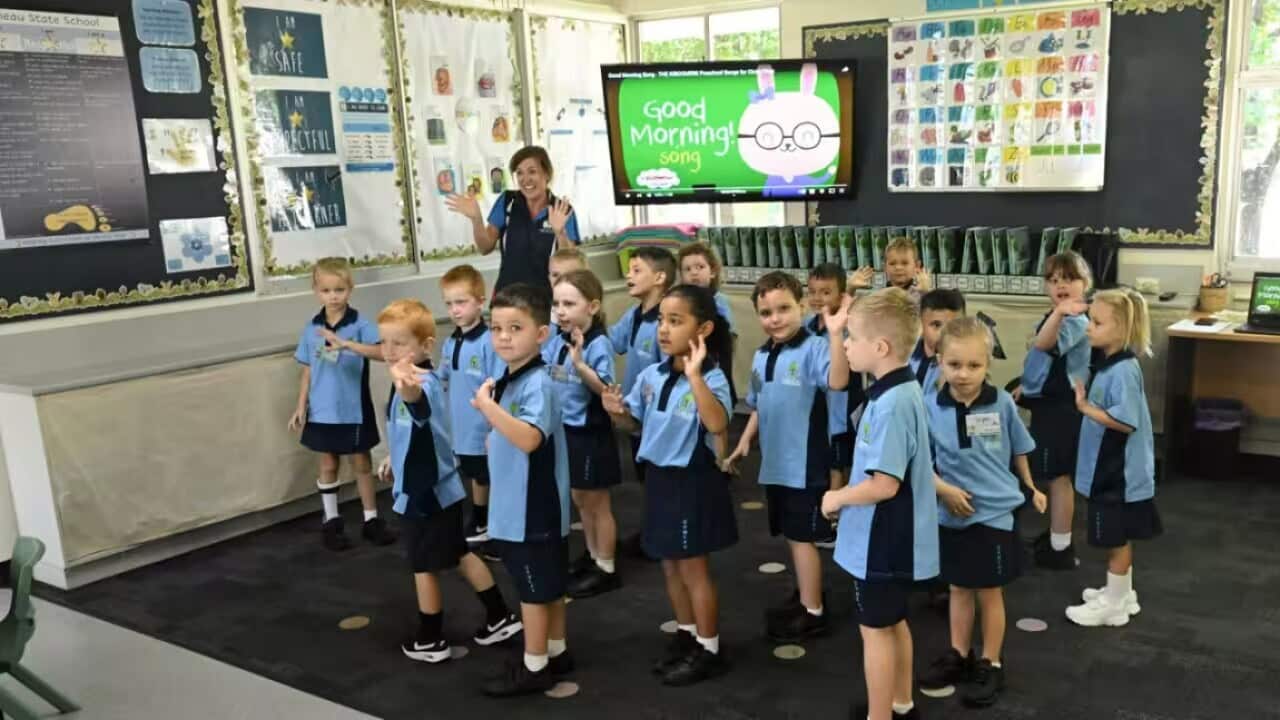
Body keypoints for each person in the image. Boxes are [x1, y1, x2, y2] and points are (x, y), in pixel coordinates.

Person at [602, 285, 738, 686]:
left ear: (705, 328)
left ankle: (709, 648)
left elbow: (716, 424)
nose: (663, 329)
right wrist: (618, 414)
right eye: (662, 319)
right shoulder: (650, 375)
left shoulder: (711, 378)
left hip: (692, 482)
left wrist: (694, 376)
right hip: (659, 480)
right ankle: (688, 634)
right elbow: (637, 426)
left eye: (675, 321)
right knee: (669, 566)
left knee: (694, 570)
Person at [374, 299, 522, 664]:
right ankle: (500, 616)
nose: (390, 352)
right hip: (441, 487)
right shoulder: (407, 379)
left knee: (423, 566)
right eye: (384, 343)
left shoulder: (416, 383)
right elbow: (417, 428)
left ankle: (429, 638)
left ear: (425, 346)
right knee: (458, 551)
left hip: (425, 494)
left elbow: (417, 405)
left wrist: (405, 389)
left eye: (400, 344)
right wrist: (396, 455)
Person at [822, 287, 938, 720]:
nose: (846, 344)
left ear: (881, 346)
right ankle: (901, 703)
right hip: (893, 537)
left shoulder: (892, 403)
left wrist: (836, 497)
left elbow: (884, 485)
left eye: (850, 336)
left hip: (883, 539)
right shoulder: (900, 390)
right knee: (893, 624)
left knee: (874, 632)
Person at [919, 317, 1046, 708]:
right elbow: (919, 459)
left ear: (988, 364)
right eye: (954, 365)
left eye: (974, 366)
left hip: (994, 513)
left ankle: (991, 661)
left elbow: (1019, 447)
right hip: (950, 514)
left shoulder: (1003, 403)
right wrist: (942, 490)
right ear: (939, 361)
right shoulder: (928, 406)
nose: (963, 374)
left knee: (989, 592)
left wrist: (1032, 486)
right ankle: (959, 654)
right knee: (958, 588)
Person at [726, 271, 851, 643]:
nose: (775, 318)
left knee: (802, 539)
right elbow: (759, 405)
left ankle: (813, 612)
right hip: (776, 464)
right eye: (766, 312)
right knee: (792, 537)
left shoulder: (815, 348)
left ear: (801, 306)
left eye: (783, 308)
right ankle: (805, 595)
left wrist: (834, 334)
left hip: (805, 465)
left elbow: (838, 381)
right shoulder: (763, 355)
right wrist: (745, 441)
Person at [473, 284, 573, 696]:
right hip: (516, 504)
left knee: (534, 589)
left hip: (535, 506)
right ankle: (555, 650)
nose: (504, 337)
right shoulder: (510, 380)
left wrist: (487, 408)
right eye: (496, 328)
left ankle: (535, 667)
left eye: (516, 327)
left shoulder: (539, 383)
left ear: (542, 334)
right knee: (544, 584)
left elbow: (530, 438)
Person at [1065, 288, 1160, 627]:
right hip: (1109, 466)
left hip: (1116, 473)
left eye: (1097, 323)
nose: (1088, 327)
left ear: (1121, 329)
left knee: (1115, 537)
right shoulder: (1109, 364)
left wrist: (1085, 407)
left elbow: (1125, 421)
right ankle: (1121, 591)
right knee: (1116, 535)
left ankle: (1115, 603)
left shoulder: (1122, 371)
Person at [288, 258, 396, 551]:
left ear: (350, 289)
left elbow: (381, 352)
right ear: (315, 291)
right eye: (326, 290)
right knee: (327, 462)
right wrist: (301, 406)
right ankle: (331, 520)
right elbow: (308, 368)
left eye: (339, 289)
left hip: (353, 407)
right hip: (322, 409)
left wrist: (347, 345)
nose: (333, 296)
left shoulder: (360, 324)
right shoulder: (311, 329)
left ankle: (371, 519)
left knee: (361, 462)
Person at [544, 270, 623, 599]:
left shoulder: (597, 343)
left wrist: (580, 364)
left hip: (591, 433)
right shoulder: (558, 339)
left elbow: (605, 389)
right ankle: (592, 555)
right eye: (557, 303)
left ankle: (607, 566)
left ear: (591, 306)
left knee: (597, 502)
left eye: (569, 303)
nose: (561, 311)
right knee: (580, 499)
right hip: (567, 431)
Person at [1017, 251, 1092, 570]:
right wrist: (1025, 385)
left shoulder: (1074, 320)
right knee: (1051, 474)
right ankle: (1055, 535)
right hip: (1047, 402)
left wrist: (1060, 313)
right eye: (1053, 280)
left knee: (1059, 477)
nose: (1061, 285)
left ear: (1085, 284)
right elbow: (1040, 362)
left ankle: (1061, 547)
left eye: (1069, 278)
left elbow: (1044, 346)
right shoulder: (1058, 316)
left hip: (1062, 408)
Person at [445, 146, 580, 296]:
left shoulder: (562, 210)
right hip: (507, 299)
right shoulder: (508, 201)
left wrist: (560, 233)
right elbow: (485, 247)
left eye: (532, 171)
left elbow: (572, 267)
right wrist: (476, 219)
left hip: (546, 302)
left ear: (547, 174)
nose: (525, 179)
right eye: (519, 173)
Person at [438, 265, 504, 548]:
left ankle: (497, 528)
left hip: (484, 427)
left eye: (461, 302)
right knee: (476, 476)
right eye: (449, 304)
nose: (455, 310)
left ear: (481, 300)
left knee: (491, 477)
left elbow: (499, 386)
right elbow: (441, 377)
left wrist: (494, 428)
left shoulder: (490, 342)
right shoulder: (450, 342)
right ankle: (480, 519)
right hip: (460, 428)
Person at [610, 247, 677, 504]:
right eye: (629, 270)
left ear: (659, 278)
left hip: (658, 420)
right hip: (635, 417)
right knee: (645, 482)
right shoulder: (634, 315)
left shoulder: (666, 322)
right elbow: (611, 343)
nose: (629, 275)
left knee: (664, 484)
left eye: (637, 270)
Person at [805, 263, 865, 499]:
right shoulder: (807, 326)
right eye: (812, 291)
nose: (817, 298)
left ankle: (836, 516)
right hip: (816, 403)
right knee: (821, 455)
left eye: (825, 292)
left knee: (838, 461)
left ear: (840, 296)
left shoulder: (849, 327)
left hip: (842, 404)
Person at [912, 289, 967, 399]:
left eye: (954, 325)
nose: (945, 333)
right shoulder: (903, 360)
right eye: (936, 325)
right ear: (921, 325)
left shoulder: (969, 368)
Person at [677, 242, 734, 332]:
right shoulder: (679, 301)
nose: (694, 273)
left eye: (700, 267)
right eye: (688, 269)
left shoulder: (719, 301)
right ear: (682, 276)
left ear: (712, 272)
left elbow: (729, 332)